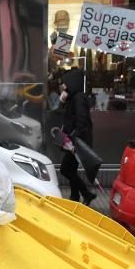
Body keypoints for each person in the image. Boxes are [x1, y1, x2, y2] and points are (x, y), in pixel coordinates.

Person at [57, 67, 97, 205]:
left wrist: (75, 143)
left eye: (65, 82)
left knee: (65, 169)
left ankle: (86, 193)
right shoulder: (74, 97)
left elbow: (81, 122)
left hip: (76, 141)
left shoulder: (78, 97)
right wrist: (63, 102)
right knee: (71, 169)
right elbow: (70, 117)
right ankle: (75, 197)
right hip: (73, 140)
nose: (63, 86)